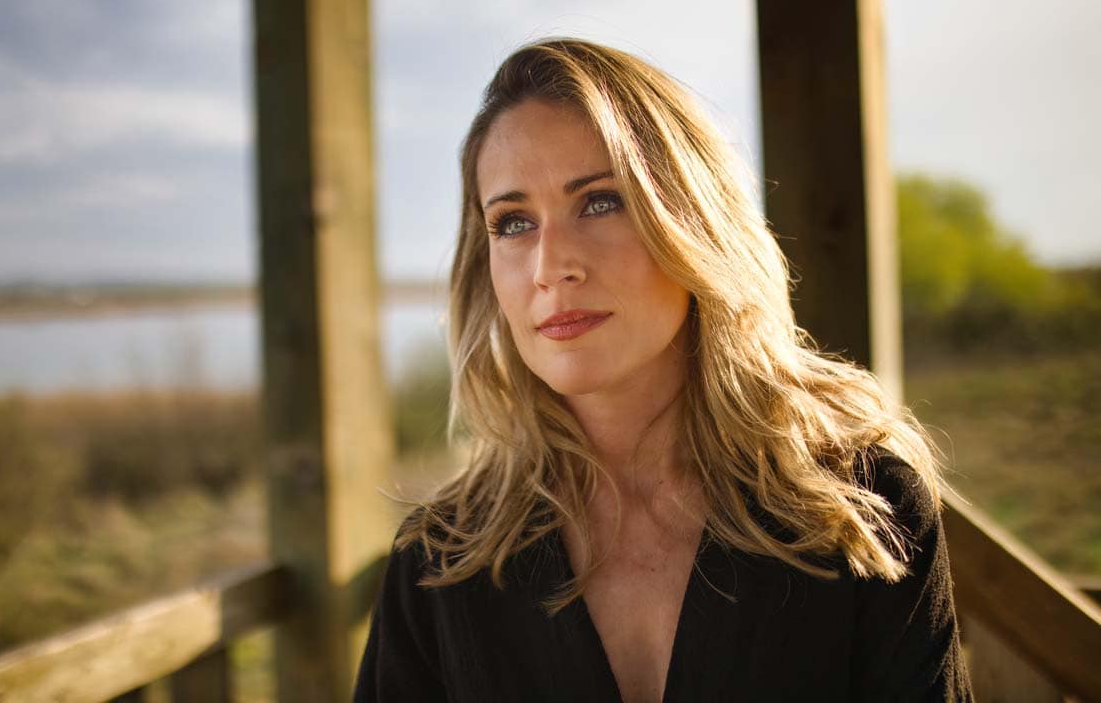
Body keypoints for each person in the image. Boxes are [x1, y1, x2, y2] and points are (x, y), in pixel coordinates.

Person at [354, 38, 972, 702]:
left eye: (599, 202)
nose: (550, 267)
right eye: (512, 223)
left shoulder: (863, 506)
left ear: (692, 221)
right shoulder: (440, 561)